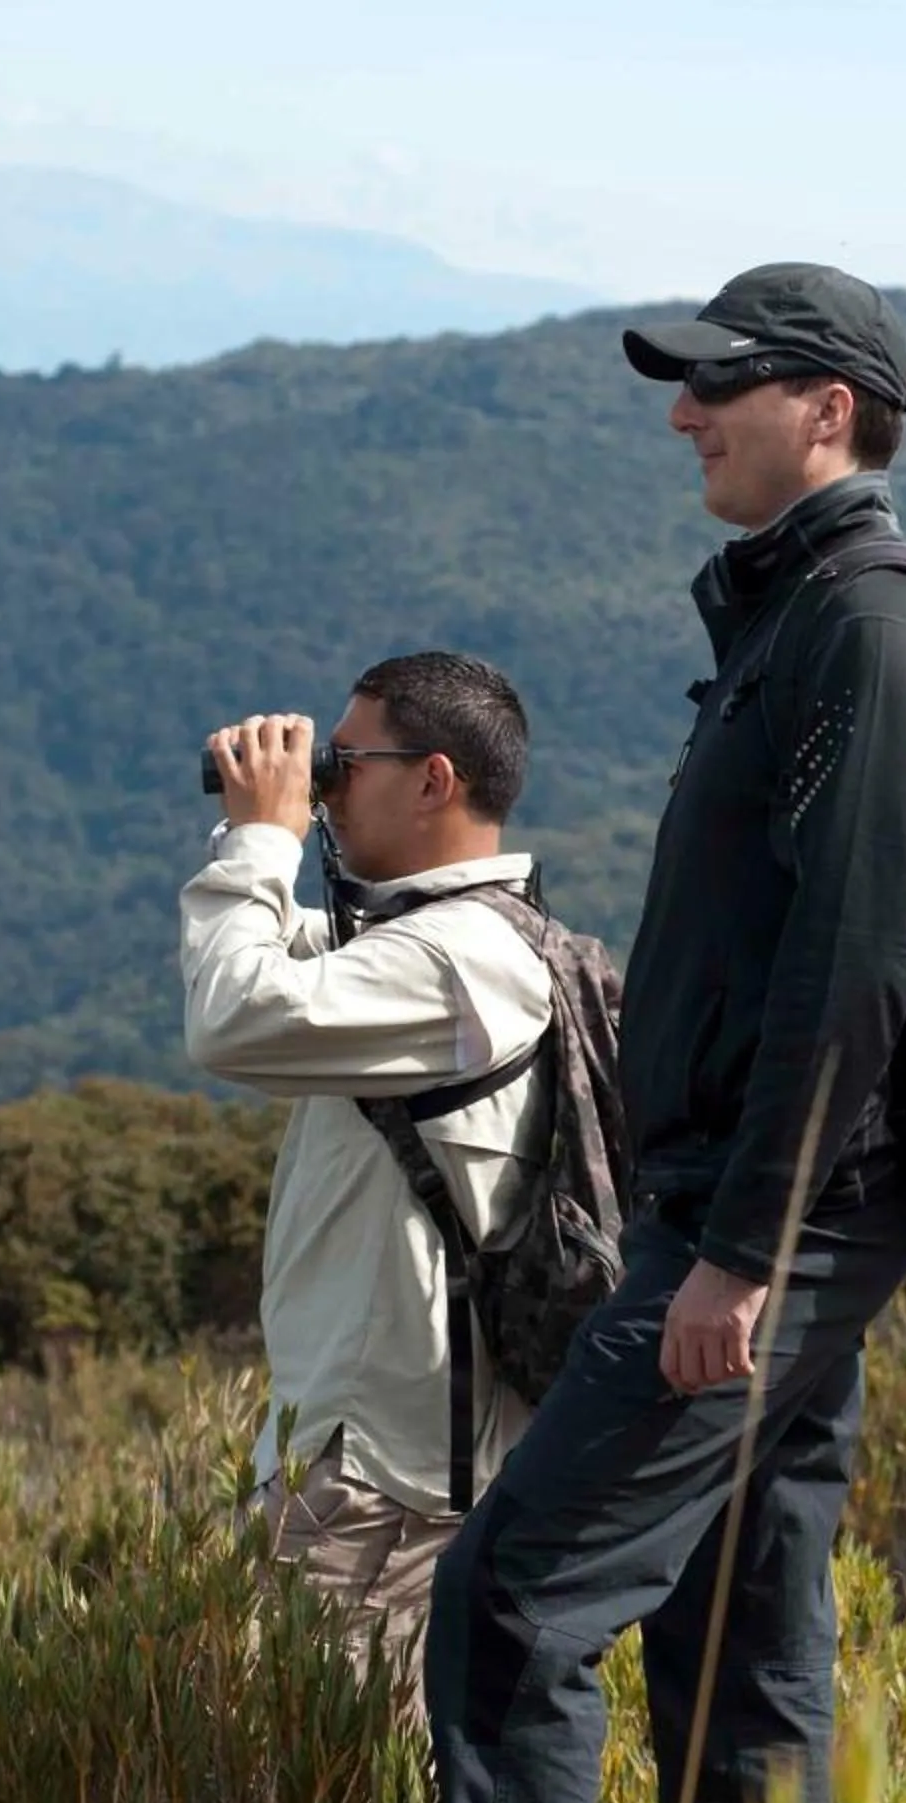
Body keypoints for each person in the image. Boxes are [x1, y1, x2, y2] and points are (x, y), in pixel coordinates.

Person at [423, 262, 906, 1803]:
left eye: (718, 388)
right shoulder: (803, 615)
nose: (683, 414)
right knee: (744, 1645)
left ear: (828, 411)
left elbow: (855, 958)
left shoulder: (873, 628)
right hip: (760, 1212)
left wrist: (742, 1244)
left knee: (510, 1606)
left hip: (767, 1225)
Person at [181, 649, 550, 1726]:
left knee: (332, 1801)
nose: (328, 782)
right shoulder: (433, 944)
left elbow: (234, 1017)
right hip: (365, 1457)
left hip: (382, 1482)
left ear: (435, 780)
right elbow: (253, 967)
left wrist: (262, 839)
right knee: (328, 1791)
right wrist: (259, 838)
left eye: (350, 760)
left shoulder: (456, 961)